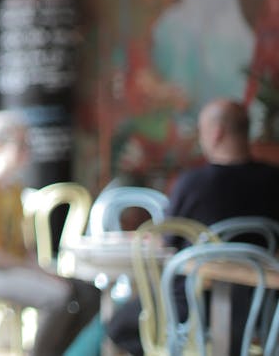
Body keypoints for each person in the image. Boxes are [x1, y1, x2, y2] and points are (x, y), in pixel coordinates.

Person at [106, 98, 279, 355]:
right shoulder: (274, 179)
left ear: (217, 133)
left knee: (118, 326)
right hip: (260, 309)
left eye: (202, 130)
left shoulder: (194, 183)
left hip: (192, 306)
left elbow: (165, 243)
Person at [0, 110, 101, 356]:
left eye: (28, 144)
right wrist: (34, 271)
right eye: (21, 144)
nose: (26, 151)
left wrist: (44, 270)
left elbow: (23, 246)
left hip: (14, 267)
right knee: (58, 298)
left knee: (89, 293)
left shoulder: (13, 188)